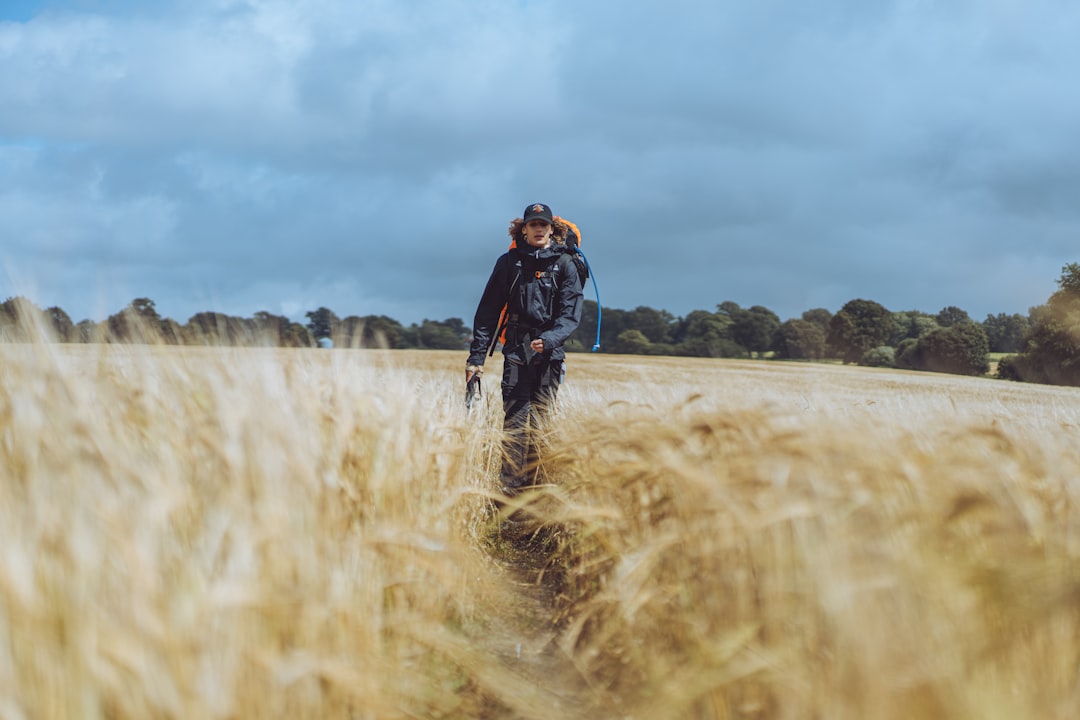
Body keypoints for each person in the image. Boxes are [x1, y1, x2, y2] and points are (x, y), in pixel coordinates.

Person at [466, 203, 584, 495]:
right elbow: (488, 312)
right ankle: (509, 491)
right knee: (516, 423)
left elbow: (571, 313)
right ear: (523, 229)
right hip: (517, 353)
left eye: (544, 224)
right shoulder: (509, 263)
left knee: (543, 422)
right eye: (533, 224)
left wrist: (551, 339)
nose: (539, 229)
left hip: (550, 355)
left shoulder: (566, 264)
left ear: (552, 229)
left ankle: (538, 490)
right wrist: (476, 358)